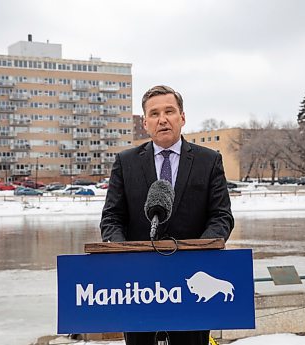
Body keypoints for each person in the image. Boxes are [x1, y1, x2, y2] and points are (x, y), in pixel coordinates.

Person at [100, 85, 234, 345]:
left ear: (182, 117)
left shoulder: (209, 160)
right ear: (145, 122)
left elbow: (221, 217)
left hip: (192, 285)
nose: (162, 119)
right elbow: (112, 218)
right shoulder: (125, 162)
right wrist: (122, 254)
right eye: (154, 113)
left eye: (169, 111)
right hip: (139, 287)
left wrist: (200, 253)